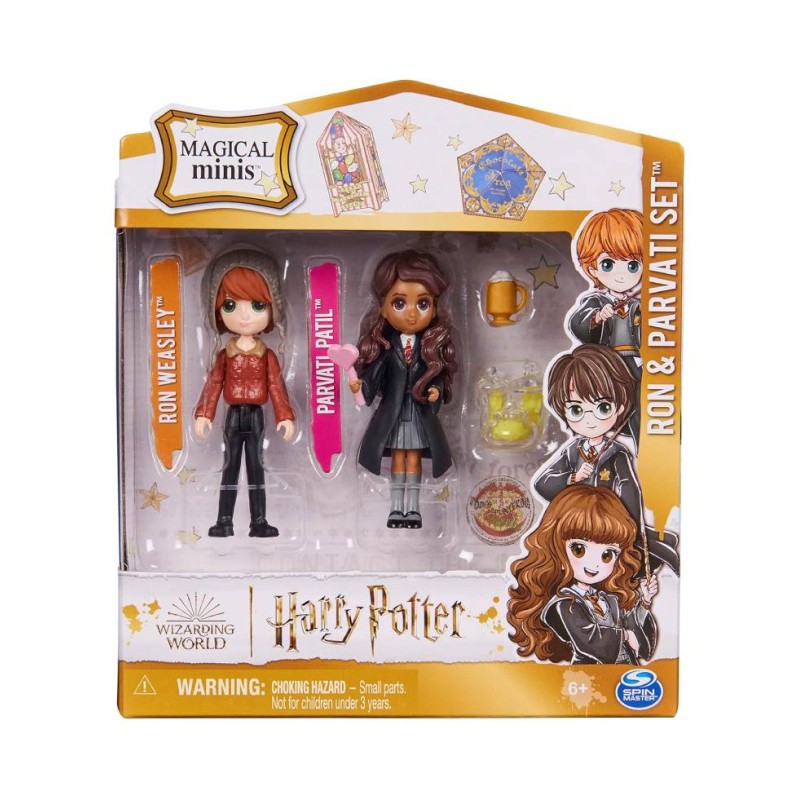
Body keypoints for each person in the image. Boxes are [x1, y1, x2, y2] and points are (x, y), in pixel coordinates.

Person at [532, 344, 679, 576]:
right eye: (576, 410)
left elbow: (629, 487)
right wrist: (572, 478)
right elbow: (542, 484)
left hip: (606, 521)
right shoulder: (573, 451)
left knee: (624, 553)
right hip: (577, 522)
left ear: (619, 408)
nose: (590, 420)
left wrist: (631, 524)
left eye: (602, 407)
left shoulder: (616, 453)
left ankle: (662, 548)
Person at [350, 250, 457, 529]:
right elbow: (373, 378)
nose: (411, 313)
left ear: (434, 307)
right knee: (399, 459)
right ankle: (396, 508)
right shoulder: (387, 349)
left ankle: (414, 509)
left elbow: (438, 376)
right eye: (399, 303)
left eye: (422, 303)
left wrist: (436, 393)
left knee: (415, 462)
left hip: (419, 412)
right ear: (383, 308)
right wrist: (360, 386)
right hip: (394, 414)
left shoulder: (430, 348)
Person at [194, 250, 296, 538]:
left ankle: (258, 521)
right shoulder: (225, 354)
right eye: (230, 305)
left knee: (256, 467)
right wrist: (204, 414)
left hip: (255, 416)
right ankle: (224, 520)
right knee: (229, 467)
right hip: (232, 416)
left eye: (257, 305)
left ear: (272, 308)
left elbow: (276, 386)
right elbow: (214, 384)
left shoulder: (267, 354)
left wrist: (285, 416)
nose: (244, 315)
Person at [507, 485, 658, 665]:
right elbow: (590, 641)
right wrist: (625, 635)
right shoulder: (564, 603)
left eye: (607, 554)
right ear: (556, 548)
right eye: (579, 549)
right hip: (589, 675)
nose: (594, 564)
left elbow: (629, 624)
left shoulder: (607, 599)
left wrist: (645, 601)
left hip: (626, 672)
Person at [568, 208, 644, 444]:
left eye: (632, 265)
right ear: (592, 268)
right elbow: (578, 323)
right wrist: (598, 317)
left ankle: (643, 443)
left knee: (640, 402)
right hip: (607, 365)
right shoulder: (596, 300)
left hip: (634, 363)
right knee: (602, 403)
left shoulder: (637, 304)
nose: (621, 275)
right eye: (608, 264)